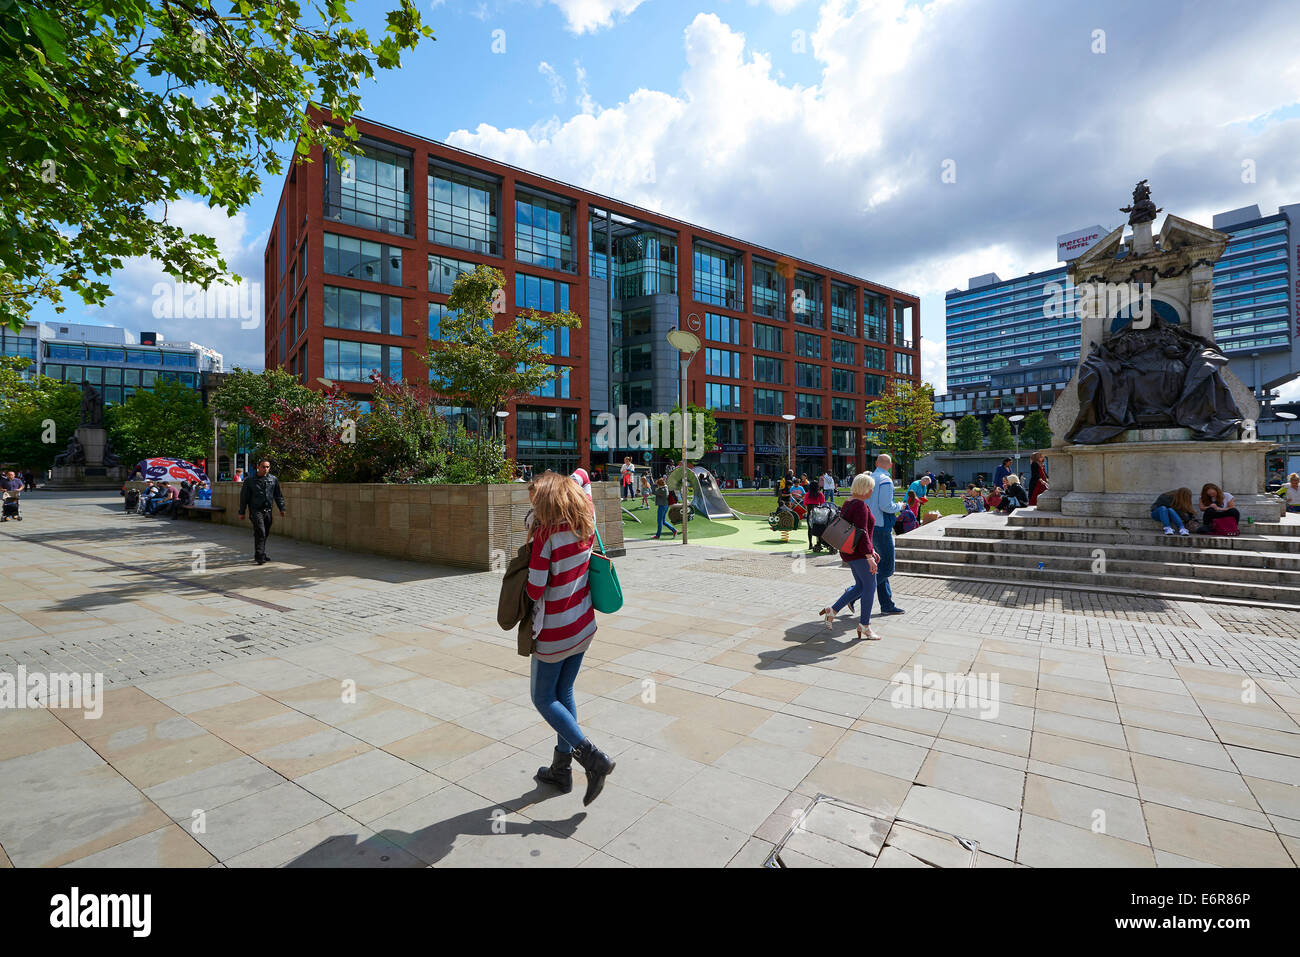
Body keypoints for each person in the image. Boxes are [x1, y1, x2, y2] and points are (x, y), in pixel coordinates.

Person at [526, 471, 616, 806]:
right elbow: (584, 474)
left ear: (548, 499)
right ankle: (560, 770)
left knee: (543, 697)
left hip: (554, 631)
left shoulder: (545, 534)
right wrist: (571, 479)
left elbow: (535, 587)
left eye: (536, 501)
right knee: (564, 691)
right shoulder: (586, 516)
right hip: (583, 625)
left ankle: (592, 758)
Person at [817, 472, 882, 640]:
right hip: (860, 554)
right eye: (871, 488)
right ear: (865, 488)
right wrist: (869, 555)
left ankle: (833, 610)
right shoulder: (860, 505)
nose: (872, 491)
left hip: (850, 552)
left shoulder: (848, 502)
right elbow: (862, 531)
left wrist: (871, 550)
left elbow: (858, 531)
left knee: (861, 586)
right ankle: (865, 626)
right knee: (870, 587)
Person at [868, 454, 905, 616]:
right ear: (890, 466)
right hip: (882, 527)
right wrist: (900, 506)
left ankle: (887, 604)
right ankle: (855, 593)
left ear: (876, 463)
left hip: (870, 526)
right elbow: (886, 505)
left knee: (880, 567)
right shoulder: (885, 480)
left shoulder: (868, 478)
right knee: (888, 568)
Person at [238, 459, 286, 564]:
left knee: (264, 533)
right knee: (261, 531)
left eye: (267, 467)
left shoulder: (273, 479)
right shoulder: (249, 481)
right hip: (256, 511)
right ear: (258, 467)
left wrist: (282, 508)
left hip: (268, 510)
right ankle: (260, 556)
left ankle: (260, 553)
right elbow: (244, 497)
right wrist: (242, 512)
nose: (265, 469)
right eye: (263, 467)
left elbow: (278, 495)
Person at [802, 482, 826, 551]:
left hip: (810, 513)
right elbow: (823, 504)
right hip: (818, 514)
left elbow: (805, 503)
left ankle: (810, 544)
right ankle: (818, 543)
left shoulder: (807, 494)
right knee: (818, 528)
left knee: (809, 529)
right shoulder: (820, 494)